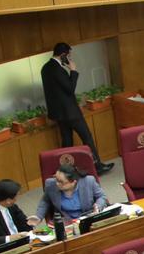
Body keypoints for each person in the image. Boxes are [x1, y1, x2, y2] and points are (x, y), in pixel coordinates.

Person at [40, 42, 112, 174]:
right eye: (69, 55)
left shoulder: (45, 68)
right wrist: (73, 70)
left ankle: (66, 170)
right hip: (71, 112)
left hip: (59, 114)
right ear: (63, 55)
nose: (70, 58)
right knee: (87, 138)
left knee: (67, 141)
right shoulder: (59, 70)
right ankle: (97, 166)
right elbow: (70, 89)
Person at [35, 165, 106, 222]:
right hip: (66, 222)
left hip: (88, 218)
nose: (57, 184)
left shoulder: (88, 181)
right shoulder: (50, 184)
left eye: (61, 182)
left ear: (73, 182)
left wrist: (98, 206)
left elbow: (101, 196)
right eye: (56, 179)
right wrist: (38, 217)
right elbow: (45, 201)